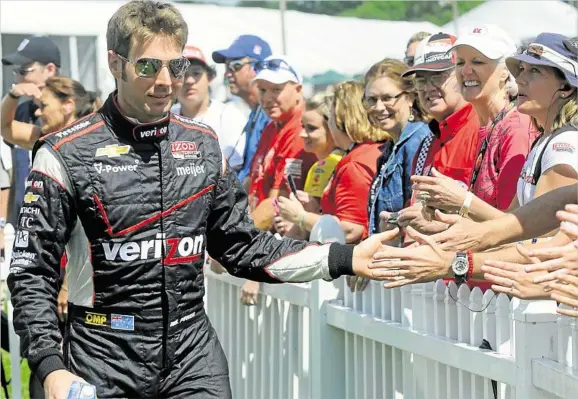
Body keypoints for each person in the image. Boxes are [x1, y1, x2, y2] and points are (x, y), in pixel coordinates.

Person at [6, 2, 396, 398]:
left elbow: (244, 248)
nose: (164, 81)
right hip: (102, 356)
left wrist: (345, 258)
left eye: (175, 67)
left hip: (191, 355)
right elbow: (30, 272)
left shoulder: (203, 145)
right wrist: (51, 368)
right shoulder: (64, 153)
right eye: (147, 67)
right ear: (115, 63)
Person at [413, 24, 539, 219]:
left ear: (505, 71)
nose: (466, 71)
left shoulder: (516, 128)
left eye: (478, 62)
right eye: (460, 63)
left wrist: (460, 201)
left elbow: (514, 225)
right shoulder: (491, 125)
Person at [241, 55, 317, 305]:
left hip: (279, 251)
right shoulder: (273, 127)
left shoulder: (298, 129)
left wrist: (236, 245)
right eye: (262, 90)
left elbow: (277, 203)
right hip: (267, 246)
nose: (267, 97)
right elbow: (253, 186)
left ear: (298, 90)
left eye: (276, 89)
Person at [393, 32, 480, 235]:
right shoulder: (428, 140)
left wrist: (437, 226)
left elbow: (498, 215)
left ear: (462, 76)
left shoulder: (483, 130)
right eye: (422, 80)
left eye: (438, 77)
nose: (429, 87)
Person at [364, 58, 431, 238]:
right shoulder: (390, 149)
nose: (378, 107)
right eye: (371, 99)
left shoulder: (418, 142)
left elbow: (420, 214)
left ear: (410, 97)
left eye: (387, 98)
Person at [1, 35, 60, 226]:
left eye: (24, 70)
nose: (18, 78)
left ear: (50, 69)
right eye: (16, 71)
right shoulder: (20, 110)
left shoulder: (73, 109)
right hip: (24, 219)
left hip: (59, 220)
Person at [273, 91, 344, 239]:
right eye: (302, 126)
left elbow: (306, 229)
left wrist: (294, 221)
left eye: (311, 128)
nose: (302, 134)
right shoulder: (334, 161)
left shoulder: (324, 166)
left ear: (332, 127)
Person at [172, 45, 247, 171]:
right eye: (181, 74)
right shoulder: (164, 118)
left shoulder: (230, 116)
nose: (189, 80)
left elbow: (234, 171)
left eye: (196, 73)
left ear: (210, 77)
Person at [212, 35, 272, 184]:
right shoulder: (256, 113)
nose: (227, 73)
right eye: (226, 67)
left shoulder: (270, 114)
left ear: (259, 68)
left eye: (235, 65)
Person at [1, 76, 101, 150]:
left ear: (68, 105)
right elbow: (4, 127)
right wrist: (13, 94)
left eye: (44, 105)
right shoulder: (46, 138)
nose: (38, 113)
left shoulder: (96, 143)